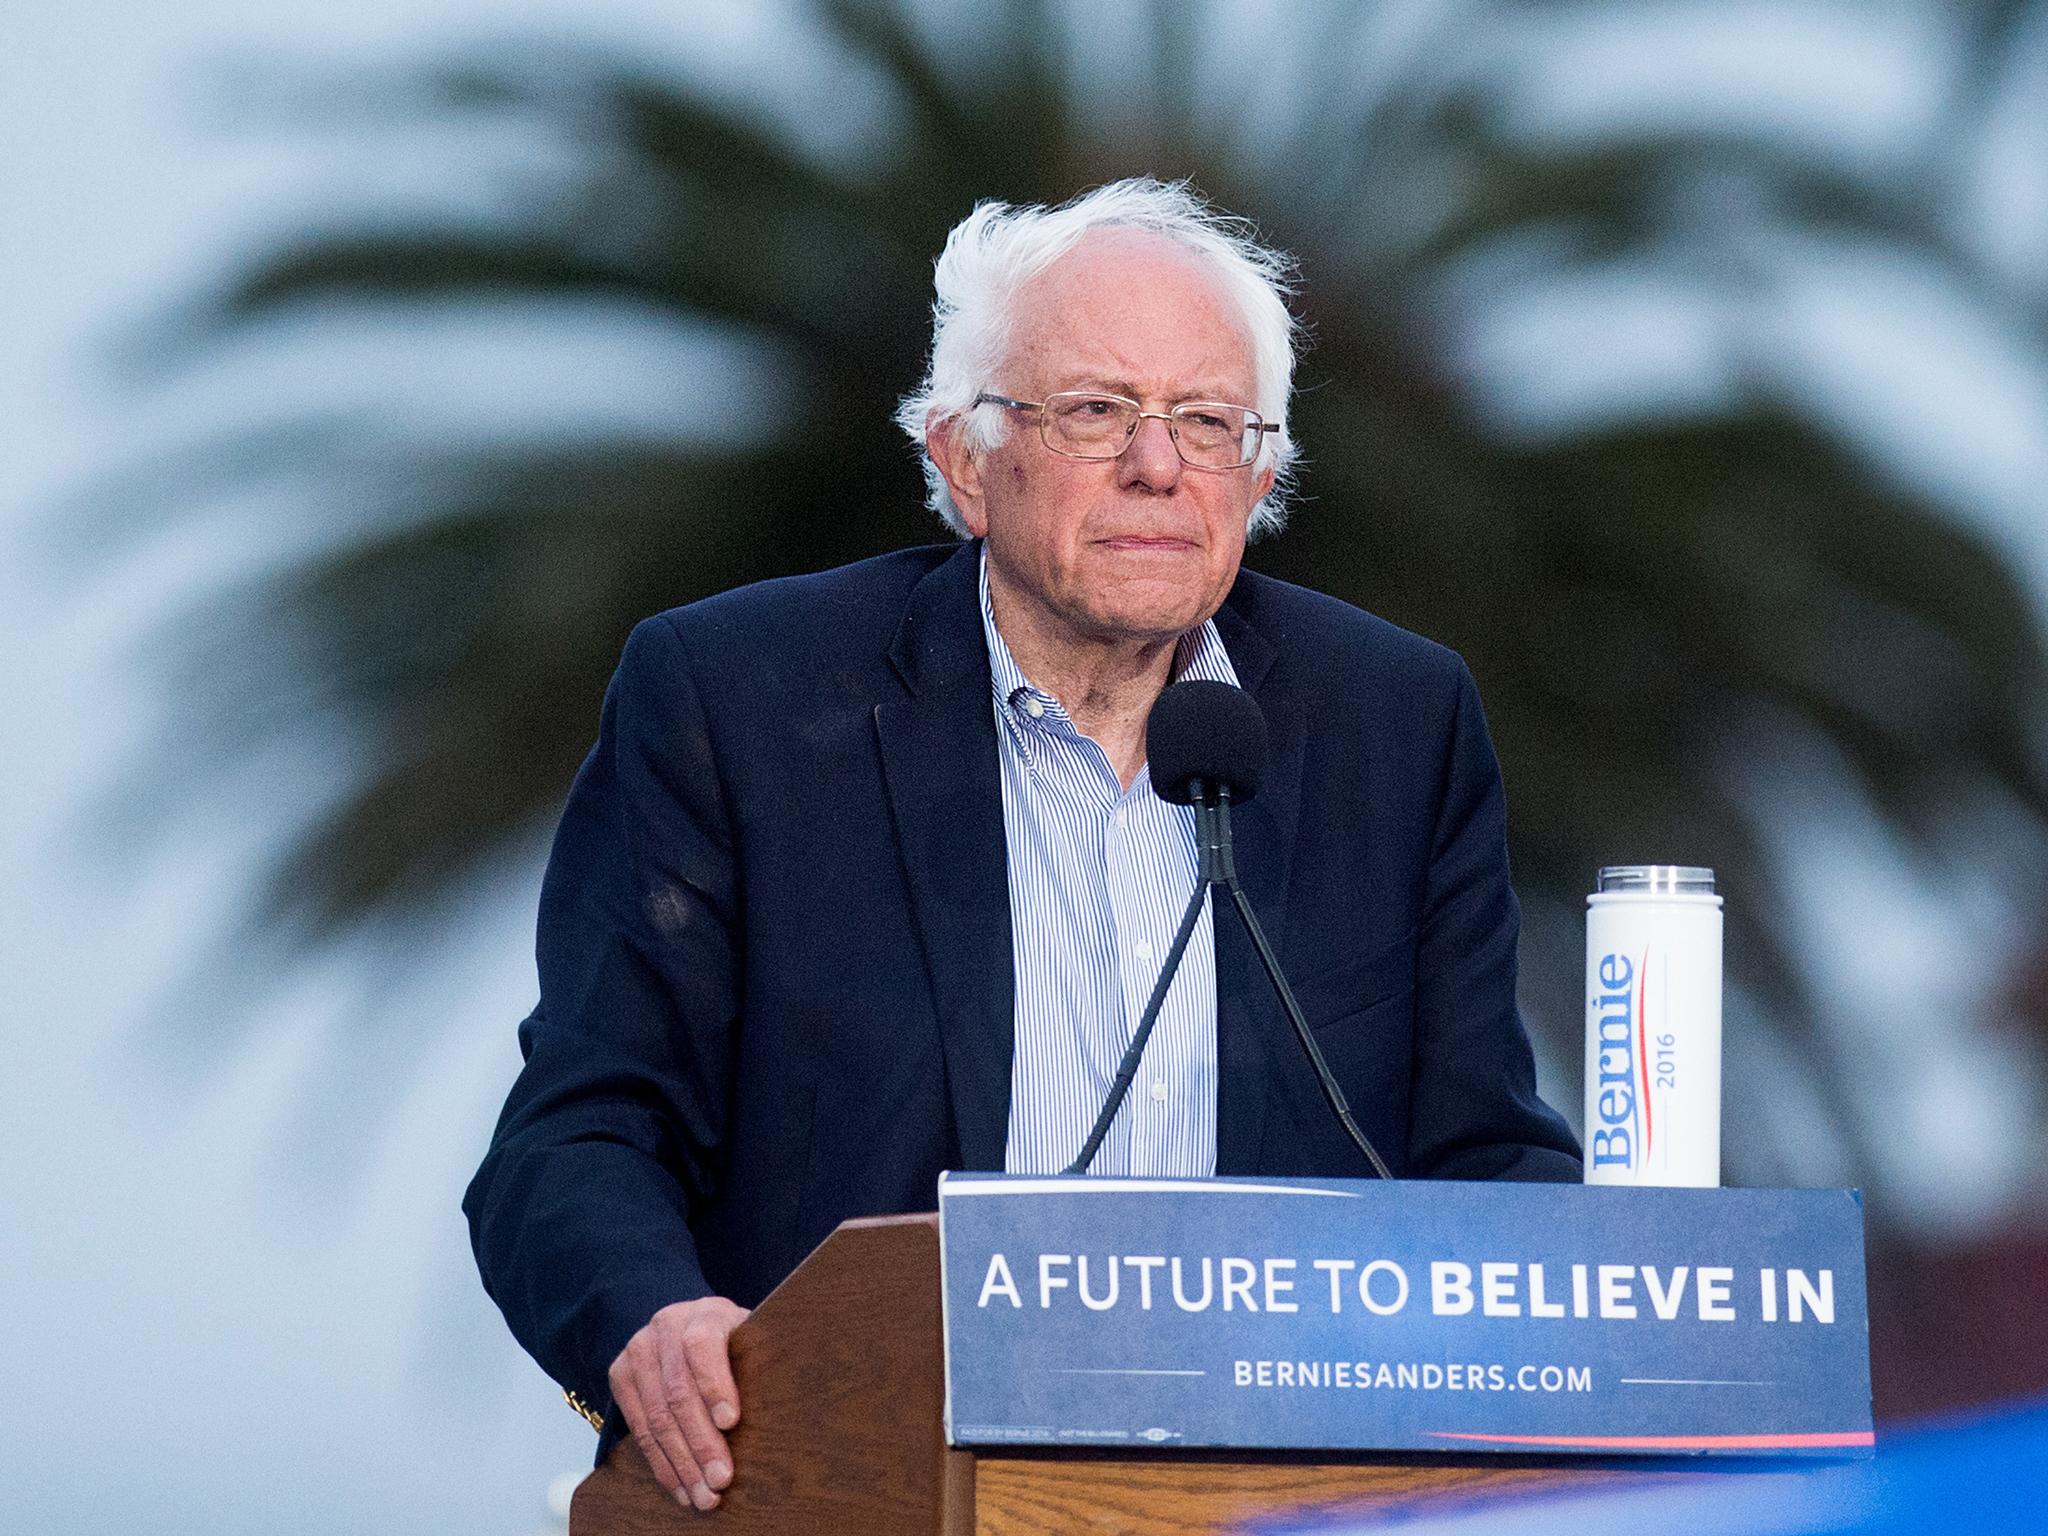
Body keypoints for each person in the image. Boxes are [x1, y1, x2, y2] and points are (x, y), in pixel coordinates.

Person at [464, 179, 1579, 1513]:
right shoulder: (743, 701)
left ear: (1260, 474)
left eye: (1207, 423)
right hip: (850, 1495)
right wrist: (649, 1330)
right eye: (1099, 412)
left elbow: (1483, 1155)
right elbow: (573, 1141)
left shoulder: (1394, 725)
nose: (1159, 466)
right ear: (965, 461)